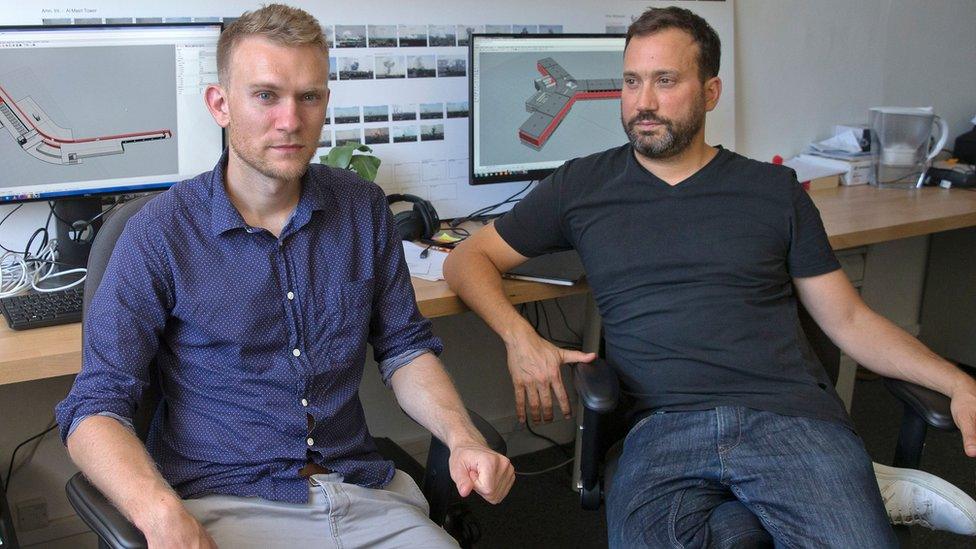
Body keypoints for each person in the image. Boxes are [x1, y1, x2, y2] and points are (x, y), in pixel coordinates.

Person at [444, 6, 976, 547]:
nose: (643, 102)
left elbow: (849, 318)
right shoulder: (582, 185)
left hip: (791, 421)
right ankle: (766, 514)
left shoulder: (773, 191)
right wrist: (520, 337)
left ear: (711, 91)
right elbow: (465, 259)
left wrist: (956, 381)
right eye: (631, 81)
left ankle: (819, 495)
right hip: (660, 429)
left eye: (665, 81)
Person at [55, 5, 513, 548]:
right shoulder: (159, 233)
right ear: (220, 104)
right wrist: (158, 513)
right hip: (224, 508)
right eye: (266, 95)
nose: (291, 121)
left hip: (363, 494)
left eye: (309, 96)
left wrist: (461, 439)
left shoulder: (362, 208)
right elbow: (95, 406)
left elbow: (404, 348)